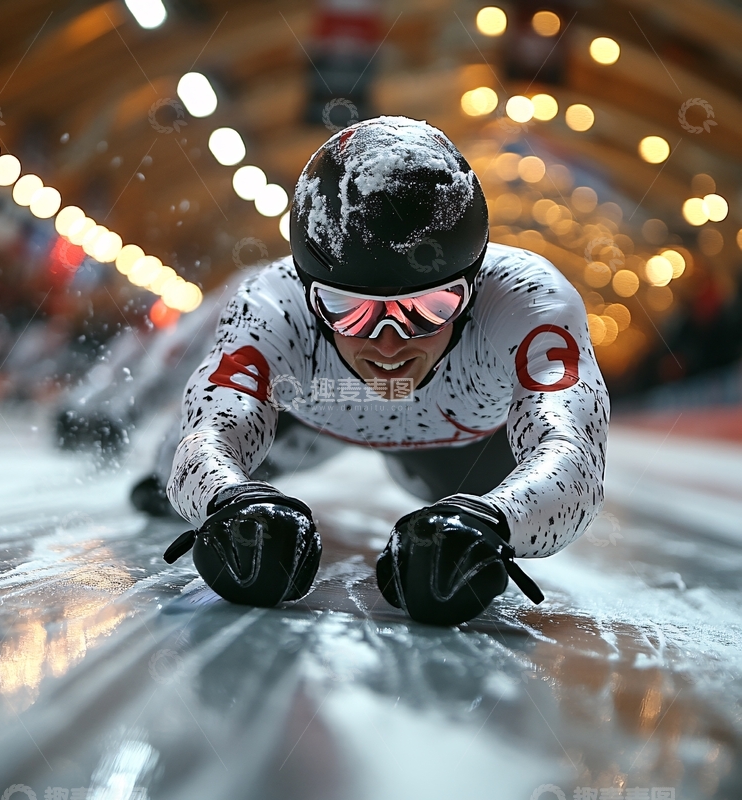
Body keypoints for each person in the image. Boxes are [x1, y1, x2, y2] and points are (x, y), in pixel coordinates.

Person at [160, 116, 609, 626]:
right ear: (307, 293)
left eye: (430, 308)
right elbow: (207, 434)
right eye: (349, 311)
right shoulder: (271, 301)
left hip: (417, 441)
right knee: (165, 477)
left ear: (475, 282)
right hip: (344, 423)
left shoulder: (527, 298)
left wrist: (492, 520)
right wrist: (228, 498)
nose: (389, 346)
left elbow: (572, 451)